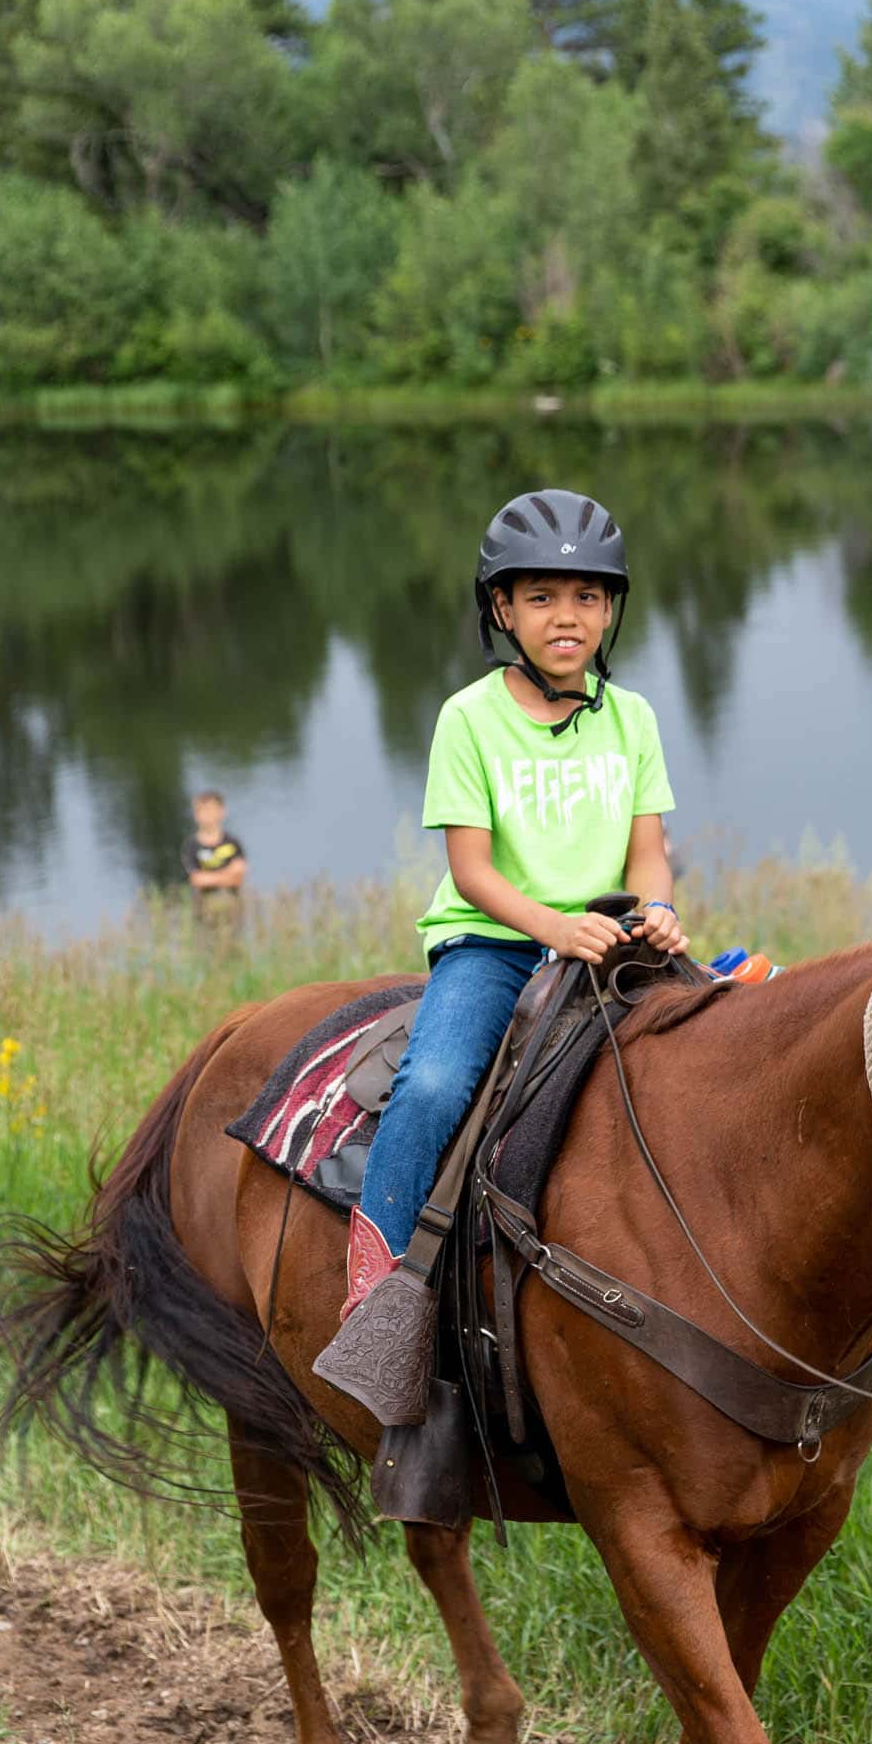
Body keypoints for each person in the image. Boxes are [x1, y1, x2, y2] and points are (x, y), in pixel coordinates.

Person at [339, 487, 686, 1319]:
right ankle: (376, 1286)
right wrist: (553, 929)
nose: (565, 617)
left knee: (728, 1050)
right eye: (540, 598)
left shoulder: (631, 718)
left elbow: (649, 854)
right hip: (496, 944)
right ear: (501, 607)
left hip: (611, 938)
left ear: (610, 610)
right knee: (432, 1085)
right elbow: (472, 873)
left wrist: (659, 911)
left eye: (586, 597)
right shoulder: (469, 718)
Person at [182, 790, 248, 913]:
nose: (207, 815)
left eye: (210, 810)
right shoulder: (191, 846)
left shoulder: (233, 843)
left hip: (232, 908)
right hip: (203, 909)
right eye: (202, 810)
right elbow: (197, 880)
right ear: (196, 815)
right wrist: (228, 874)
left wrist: (209, 877)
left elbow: (238, 878)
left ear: (222, 812)